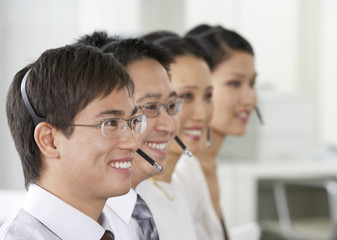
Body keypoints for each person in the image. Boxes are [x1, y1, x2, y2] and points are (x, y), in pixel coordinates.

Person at [0, 44, 143, 239]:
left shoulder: (128, 228)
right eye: (111, 123)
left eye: (132, 122)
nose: (133, 143)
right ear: (49, 140)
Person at [78, 32, 180, 240]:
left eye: (171, 106)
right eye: (150, 107)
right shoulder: (89, 222)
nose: (169, 126)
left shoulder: (140, 209)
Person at [186, 24, 258, 239]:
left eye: (252, 83)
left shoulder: (208, 163)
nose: (249, 98)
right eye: (234, 83)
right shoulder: (181, 168)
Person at [140, 32, 214, 240]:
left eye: (208, 96)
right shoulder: (132, 200)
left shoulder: (180, 185)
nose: (202, 113)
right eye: (185, 97)